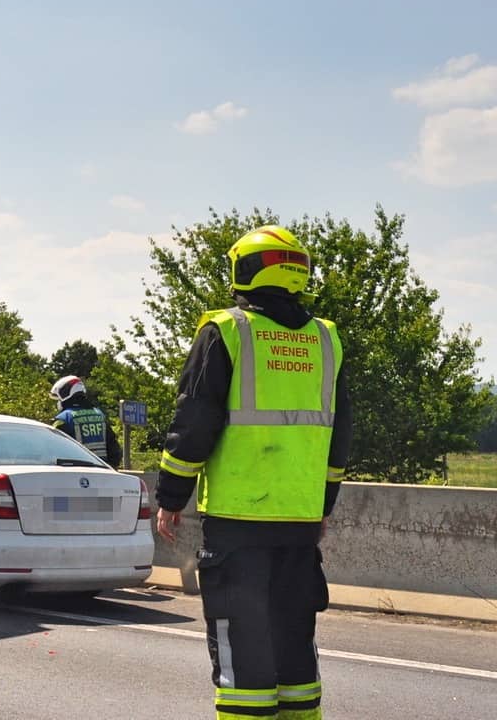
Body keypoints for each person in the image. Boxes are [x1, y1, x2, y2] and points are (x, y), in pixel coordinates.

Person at [153, 225, 352, 720]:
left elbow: (195, 421)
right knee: (293, 649)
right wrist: (322, 506)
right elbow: (339, 435)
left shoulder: (226, 330)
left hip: (239, 523)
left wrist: (171, 495)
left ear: (244, 269)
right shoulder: (326, 340)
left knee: (243, 658)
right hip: (300, 525)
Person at [50, 374, 122, 467]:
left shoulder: (63, 419)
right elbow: (114, 450)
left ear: (66, 394)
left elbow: (52, 450)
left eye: (58, 399)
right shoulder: (99, 415)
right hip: (102, 472)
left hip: (75, 473)